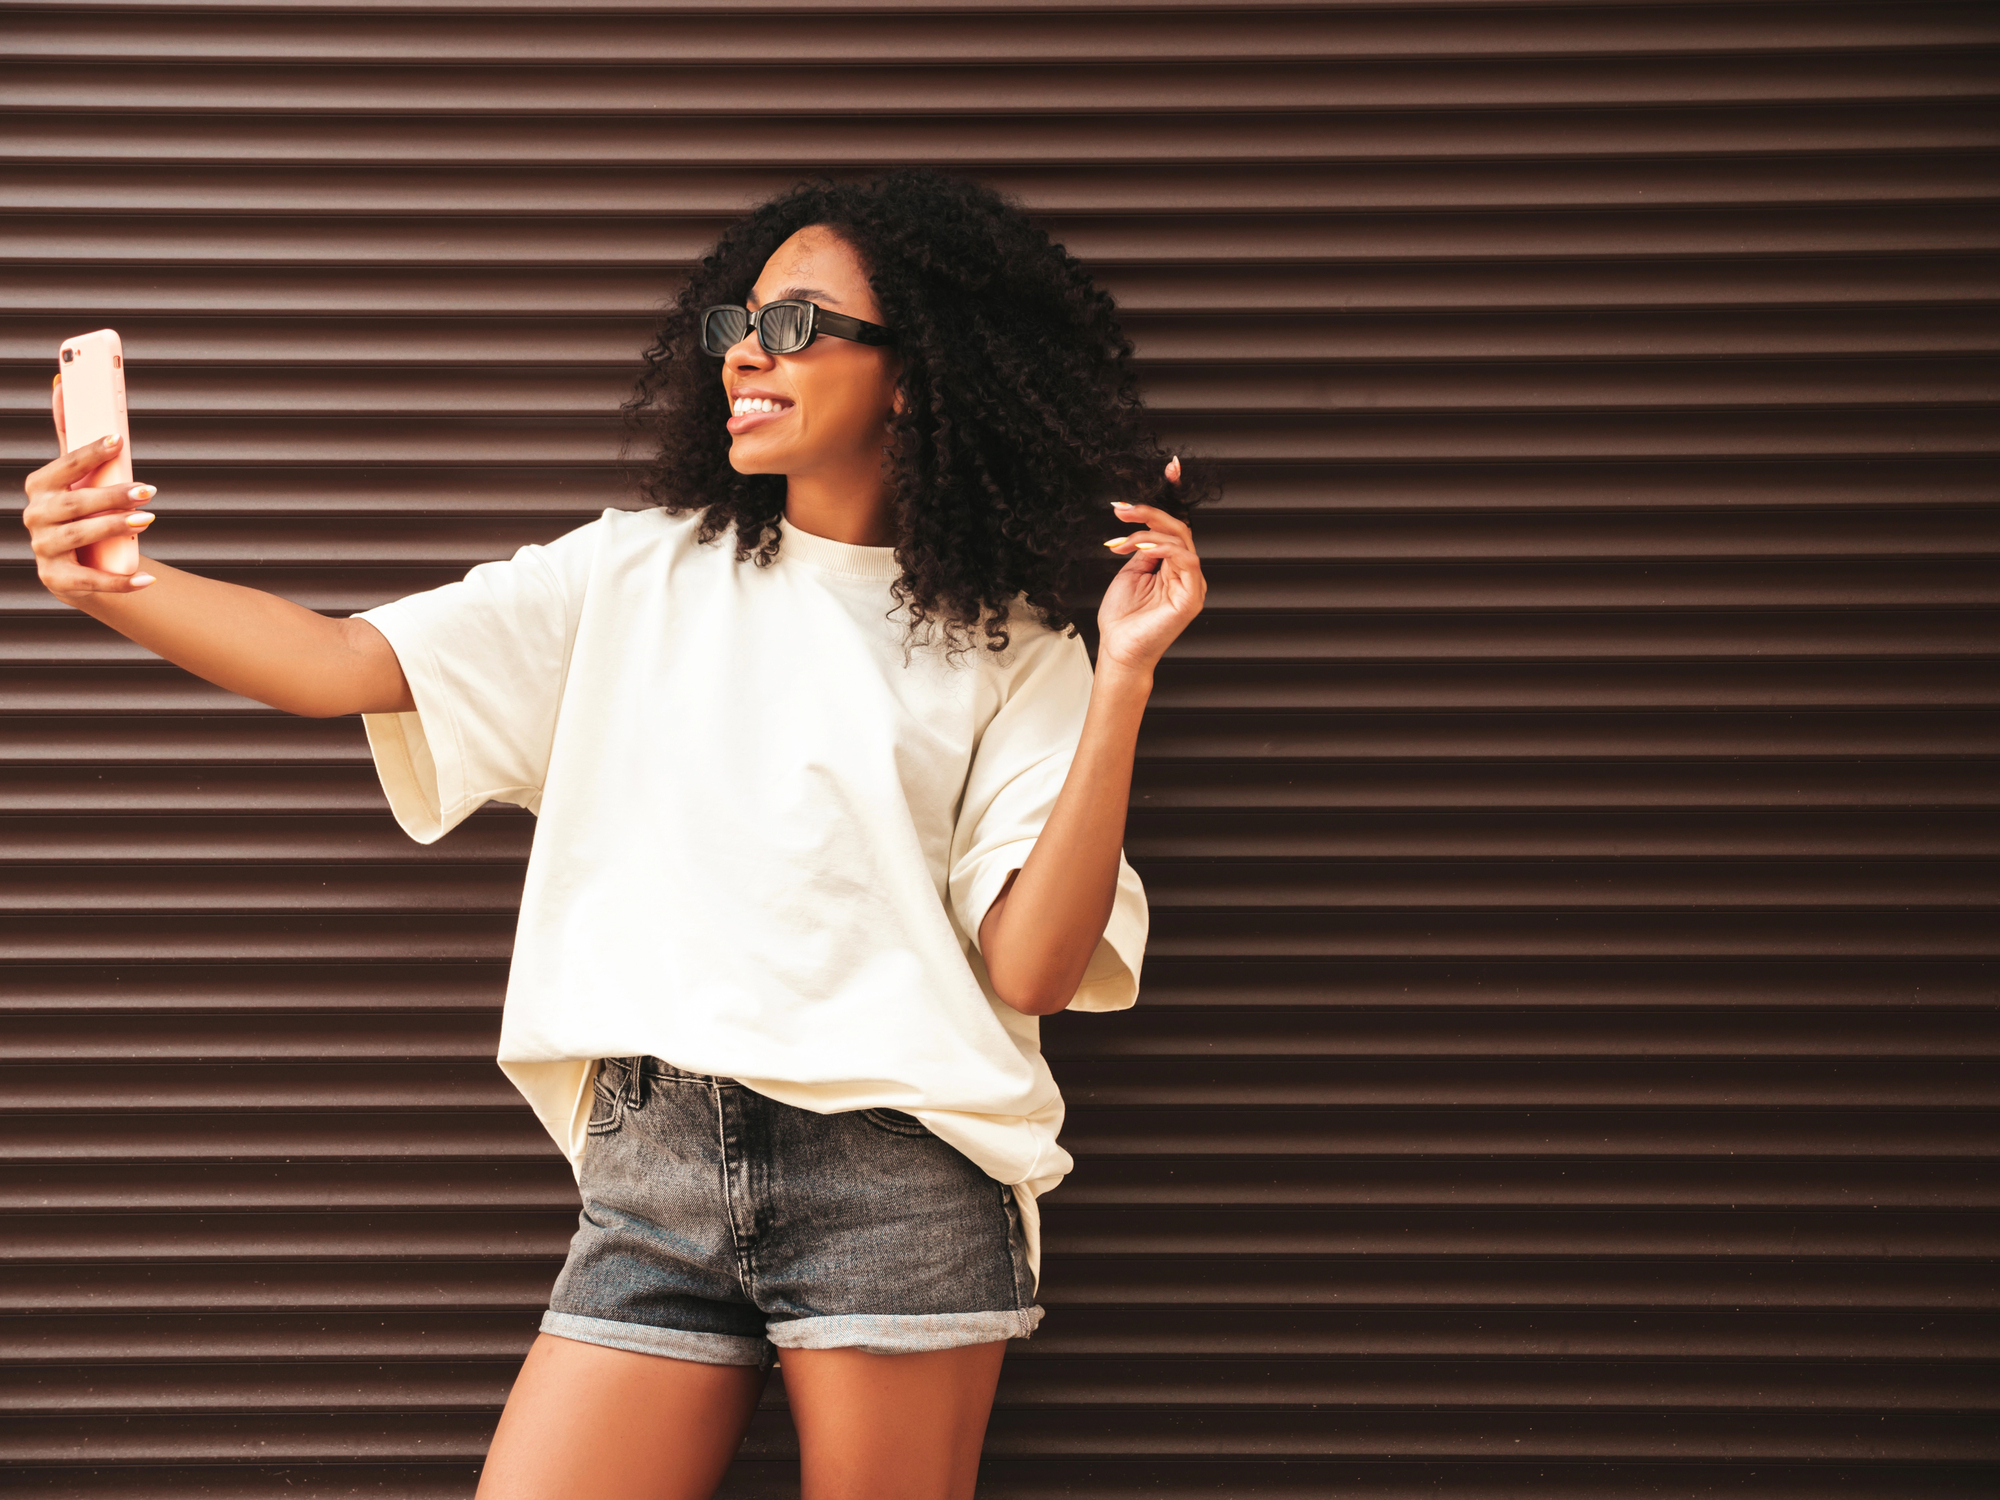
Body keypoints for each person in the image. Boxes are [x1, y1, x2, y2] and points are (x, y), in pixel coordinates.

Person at [22, 169, 1209, 1500]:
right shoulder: (630, 573)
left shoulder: (1019, 650)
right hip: (657, 1172)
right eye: (738, 325)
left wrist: (1122, 678)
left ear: (914, 376)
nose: (748, 353)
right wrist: (113, 588)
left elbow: (1037, 971)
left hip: (902, 1171)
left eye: (803, 327)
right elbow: (341, 659)